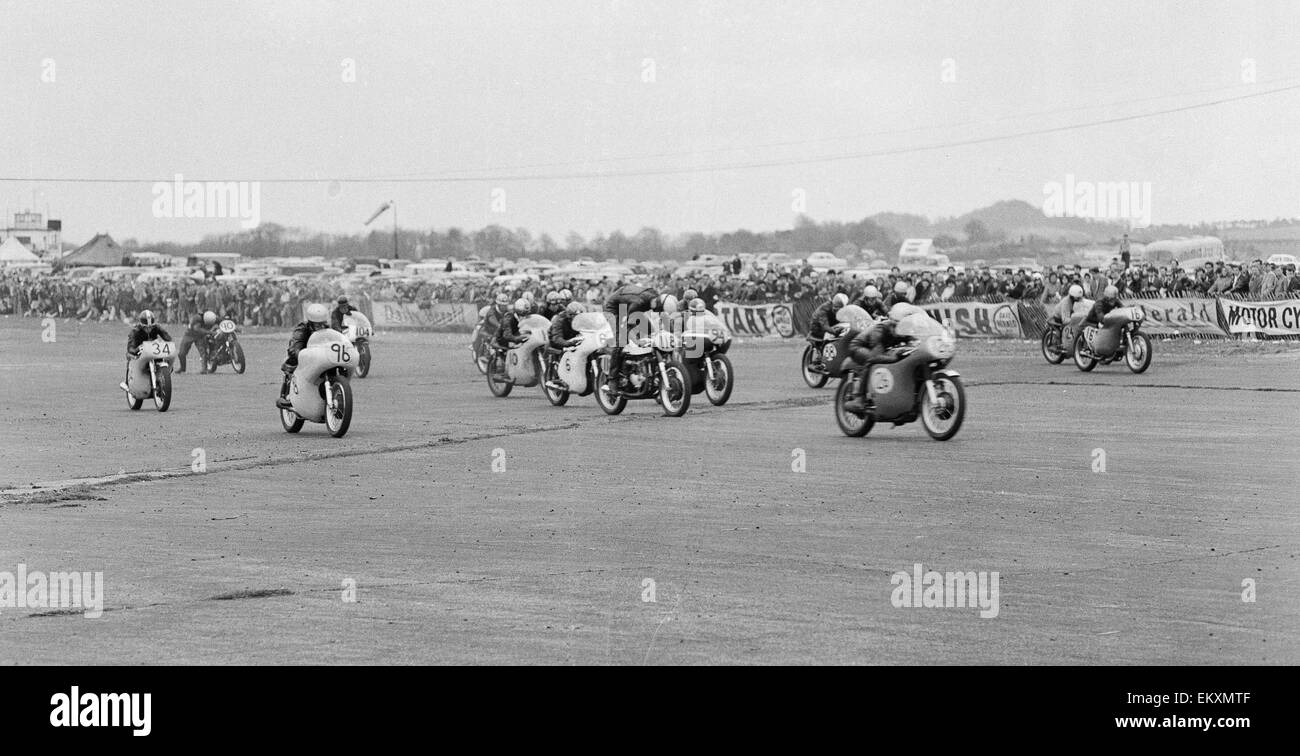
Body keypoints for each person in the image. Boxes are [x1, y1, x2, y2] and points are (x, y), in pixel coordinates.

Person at [842, 303, 915, 414]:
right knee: (871, 361)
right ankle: (859, 399)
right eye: (898, 325)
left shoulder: (902, 330)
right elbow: (875, 355)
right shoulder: (880, 330)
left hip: (877, 349)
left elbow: (913, 341)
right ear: (892, 323)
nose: (902, 328)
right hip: (859, 347)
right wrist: (894, 358)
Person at [602, 282, 666, 392]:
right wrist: (637, 341)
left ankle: (653, 373)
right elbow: (628, 327)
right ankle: (612, 380)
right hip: (613, 309)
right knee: (621, 341)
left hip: (627, 304)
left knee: (651, 331)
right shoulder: (638, 303)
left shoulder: (655, 296)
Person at [275, 303, 332, 409]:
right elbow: (295, 345)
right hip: (305, 356)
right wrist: (299, 353)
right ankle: (289, 397)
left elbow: (337, 340)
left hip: (322, 357)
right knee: (293, 363)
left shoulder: (328, 329)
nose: (320, 326)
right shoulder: (302, 329)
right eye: (317, 324)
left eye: (322, 323)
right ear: (311, 323)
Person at [120, 310, 173, 392]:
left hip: (153, 350)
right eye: (146, 327)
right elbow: (130, 348)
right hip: (139, 352)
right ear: (141, 325)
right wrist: (137, 349)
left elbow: (167, 337)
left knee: (167, 356)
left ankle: (163, 376)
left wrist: (168, 343)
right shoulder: (135, 331)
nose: (149, 329)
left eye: (151, 327)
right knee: (130, 356)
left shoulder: (157, 327)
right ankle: (127, 382)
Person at [807, 293, 849, 362]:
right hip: (817, 327)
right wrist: (834, 332)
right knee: (830, 336)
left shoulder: (843, 310)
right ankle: (821, 357)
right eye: (838, 307)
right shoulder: (824, 309)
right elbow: (824, 326)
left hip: (832, 325)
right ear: (834, 305)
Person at [176, 310, 217, 374]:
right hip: (190, 335)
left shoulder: (212, 318)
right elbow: (197, 329)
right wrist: (210, 332)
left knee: (203, 352)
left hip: (200, 336)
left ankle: (204, 369)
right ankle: (182, 368)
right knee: (181, 353)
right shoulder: (197, 318)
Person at [1052, 284, 1088, 351]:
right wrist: (1075, 320)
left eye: (1079, 297)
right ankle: (1059, 343)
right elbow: (1065, 319)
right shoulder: (1066, 302)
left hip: (1071, 316)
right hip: (1059, 316)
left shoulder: (1080, 299)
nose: (1078, 299)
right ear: (1071, 296)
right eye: (1077, 298)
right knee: (1064, 328)